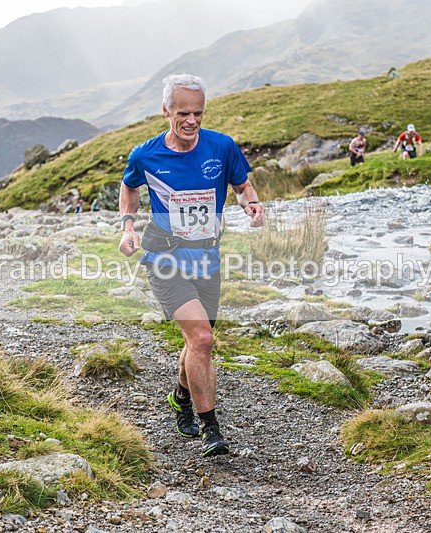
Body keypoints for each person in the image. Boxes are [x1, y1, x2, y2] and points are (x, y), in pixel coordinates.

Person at [118, 74, 266, 457]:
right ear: (166, 111)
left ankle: (181, 395)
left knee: (196, 343)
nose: (192, 121)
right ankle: (210, 429)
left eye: (198, 113)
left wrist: (251, 203)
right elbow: (130, 187)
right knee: (202, 339)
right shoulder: (146, 155)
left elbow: (241, 186)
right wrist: (128, 226)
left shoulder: (222, 147)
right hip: (163, 257)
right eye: (183, 112)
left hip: (207, 259)